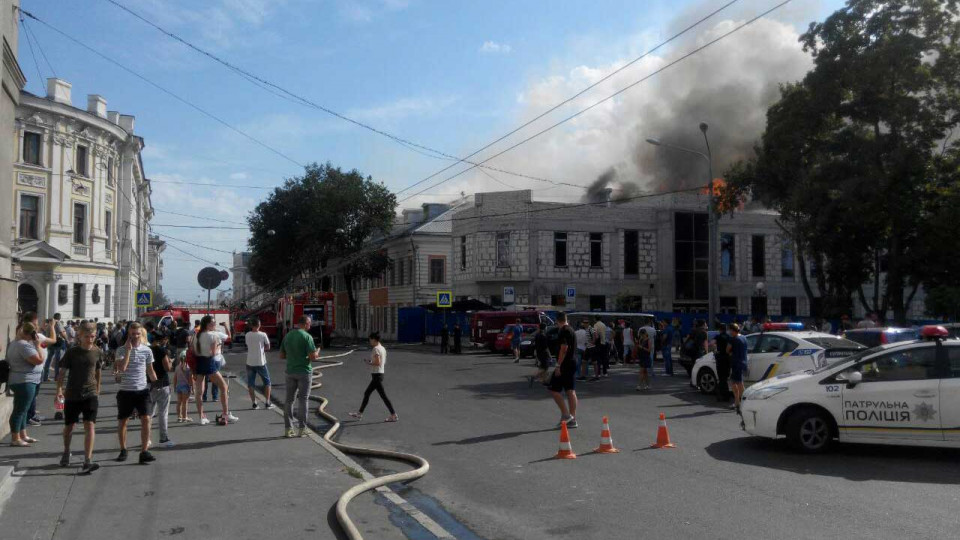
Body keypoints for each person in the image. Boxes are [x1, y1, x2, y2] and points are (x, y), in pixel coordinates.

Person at [55, 322, 103, 472]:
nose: (90, 339)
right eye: (87, 336)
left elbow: (98, 371)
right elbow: (62, 372)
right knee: (69, 427)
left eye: (92, 336)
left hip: (90, 394)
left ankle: (87, 460)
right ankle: (66, 451)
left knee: (90, 425)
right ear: (80, 336)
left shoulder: (97, 351)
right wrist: (59, 390)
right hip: (72, 394)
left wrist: (98, 389)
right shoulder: (72, 352)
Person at [115, 322, 159, 464]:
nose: (135, 336)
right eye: (132, 334)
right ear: (129, 334)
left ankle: (144, 451)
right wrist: (128, 350)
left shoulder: (147, 350)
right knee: (123, 421)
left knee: (146, 419)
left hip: (142, 390)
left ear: (141, 334)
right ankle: (123, 449)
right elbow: (122, 368)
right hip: (126, 391)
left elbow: (150, 370)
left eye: (137, 334)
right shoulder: (121, 350)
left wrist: (158, 383)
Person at [280, 316, 319, 437]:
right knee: (303, 400)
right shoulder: (307, 337)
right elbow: (312, 357)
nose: (310, 326)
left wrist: (293, 357)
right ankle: (302, 428)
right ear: (306, 324)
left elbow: (282, 355)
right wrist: (317, 352)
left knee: (289, 401)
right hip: (304, 372)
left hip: (290, 371)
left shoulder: (288, 336)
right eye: (310, 323)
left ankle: (288, 429)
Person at [7, 322, 45, 447]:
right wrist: (38, 345)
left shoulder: (15, 343)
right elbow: (39, 360)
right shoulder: (23, 345)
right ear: (32, 334)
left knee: (23, 409)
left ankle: (23, 435)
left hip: (23, 380)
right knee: (20, 410)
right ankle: (15, 438)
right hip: (24, 381)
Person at [193, 317, 236, 425]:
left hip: (199, 363)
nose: (215, 325)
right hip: (209, 362)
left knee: (199, 392)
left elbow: (193, 351)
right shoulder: (213, 335)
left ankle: (202, 417)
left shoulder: (196, 335)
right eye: (213, 323)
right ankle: (225, 413)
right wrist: (217, 347)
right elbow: (213, 353)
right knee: (224, 387)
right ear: (208, 324)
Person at [349, 331, 398, 422]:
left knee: (371, 394)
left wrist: (369, 362)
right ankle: (360, 413)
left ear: (374, 339)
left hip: (377, 376)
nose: (370, 341)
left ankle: (393, 415)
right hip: (379, 374)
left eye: (370, 340)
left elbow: (378, 362)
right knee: (376, 395)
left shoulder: (376, 349)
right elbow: (383, 362)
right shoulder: (382, 348)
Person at [549, 312, 578, 428]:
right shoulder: (571, 330)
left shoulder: (564, 331)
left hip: (565, 364)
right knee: (570, 390)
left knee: (554, 389)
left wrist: (558, 365)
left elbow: (564, 348)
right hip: (572, 362)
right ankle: (573, 419)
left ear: (557, 321)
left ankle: (566, 415)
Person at [149, 333, 174, 447]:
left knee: (148, 414)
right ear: (163, 339)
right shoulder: (161, 351)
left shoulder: (147, 350)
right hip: (162, 382)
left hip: (149, 383)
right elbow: (167, 368)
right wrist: (170, 361)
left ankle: (147, 438)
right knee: (163, 413)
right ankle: (163, 438)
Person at [245, 318, 274, 410]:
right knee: (267, 382)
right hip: (261, 362)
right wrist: (262, 349)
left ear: (251, 325)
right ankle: (267, 402)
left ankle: (254, 403)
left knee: (251, 383)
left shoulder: (247, 334)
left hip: (250, 362)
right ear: (259, 325)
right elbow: (268, 346)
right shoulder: (263, 334)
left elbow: (247, 345)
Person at [728, 324, 749, 414]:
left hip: (736, 363)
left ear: (733, 330)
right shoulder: (744, 338)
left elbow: (727, 350)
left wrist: (730, 353)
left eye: (730, 330)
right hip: (743, 362)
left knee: (738, 383)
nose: (729, 332)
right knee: (736, 382)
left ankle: (743, 403)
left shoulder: (733, 339)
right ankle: (737, 402)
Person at [173, 350, 194, 423]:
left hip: (178, 386)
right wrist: (192, 387)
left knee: (179, 402)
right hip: (186, 386)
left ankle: (179, 417)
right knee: (185, 402)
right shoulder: (188, 368)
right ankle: (185, 417)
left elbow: (175, 378)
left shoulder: (177, 367)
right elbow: (190, 379)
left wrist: (174, 386)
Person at [713, 324, 732, 402]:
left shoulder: (718, 337)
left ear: (720, 329)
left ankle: (723, 395)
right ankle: (725, 395)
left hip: (720, 358)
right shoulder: (729, 337)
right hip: (727, 359)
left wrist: (715, 351)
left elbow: (712, 343)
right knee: (725, 377)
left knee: (721, 378)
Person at [529, 323, 551, 387]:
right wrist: (549, 354)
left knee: (542, 366)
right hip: (544, 353)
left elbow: (535, 345)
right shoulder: (543, 335)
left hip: (539, 353)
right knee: (545, 367)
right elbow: (546, 347)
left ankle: (544, 381)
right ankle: (535, 376)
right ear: (545, 328)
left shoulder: (537, 335)